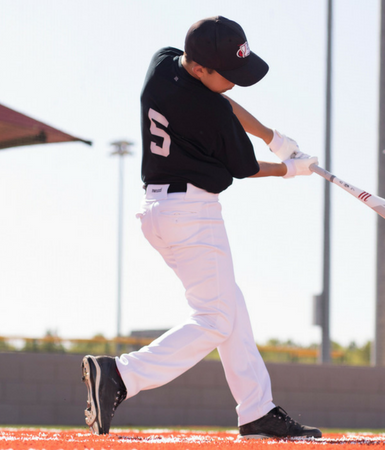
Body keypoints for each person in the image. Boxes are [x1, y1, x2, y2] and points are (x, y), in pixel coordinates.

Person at [81, 16, 321, 439]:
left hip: (160, 210)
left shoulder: (164, 62)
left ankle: (257, 410)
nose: (233, 82)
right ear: (199, 69)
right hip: (191, 215)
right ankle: (121, 375)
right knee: (214, 319)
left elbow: (225, 101)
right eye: (226, 74)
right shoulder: (207, 109)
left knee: (231, 309)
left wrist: (272, 135)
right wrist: (290, 168)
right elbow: (245, 168)